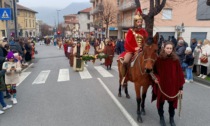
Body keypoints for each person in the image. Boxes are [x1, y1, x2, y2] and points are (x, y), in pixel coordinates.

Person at [152, 42, 185, 126]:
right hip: (162, 86)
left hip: (173, 87)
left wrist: (181, 88)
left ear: (172, 49)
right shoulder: (159, 59)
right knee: (161, 103)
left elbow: (180, 75)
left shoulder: (176, 60)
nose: (169, 50)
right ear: (164, 48)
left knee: (172, 105)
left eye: (170, 48)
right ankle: (161, 118)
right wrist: (155, 78)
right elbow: (154, 71)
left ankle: (171, 119)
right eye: (167, 48)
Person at [121, 7, 148, 80]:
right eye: (138, 22)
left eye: (140, 22)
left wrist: (143, 47)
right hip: (131, 51)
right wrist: (134, 48)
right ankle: (124, 77)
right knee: (126, 61)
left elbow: (146, 41)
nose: (139, 23)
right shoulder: (130, 31)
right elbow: (128, 42)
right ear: (135, 22)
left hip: (141, 50)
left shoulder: (144, 31)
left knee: (149, 61)